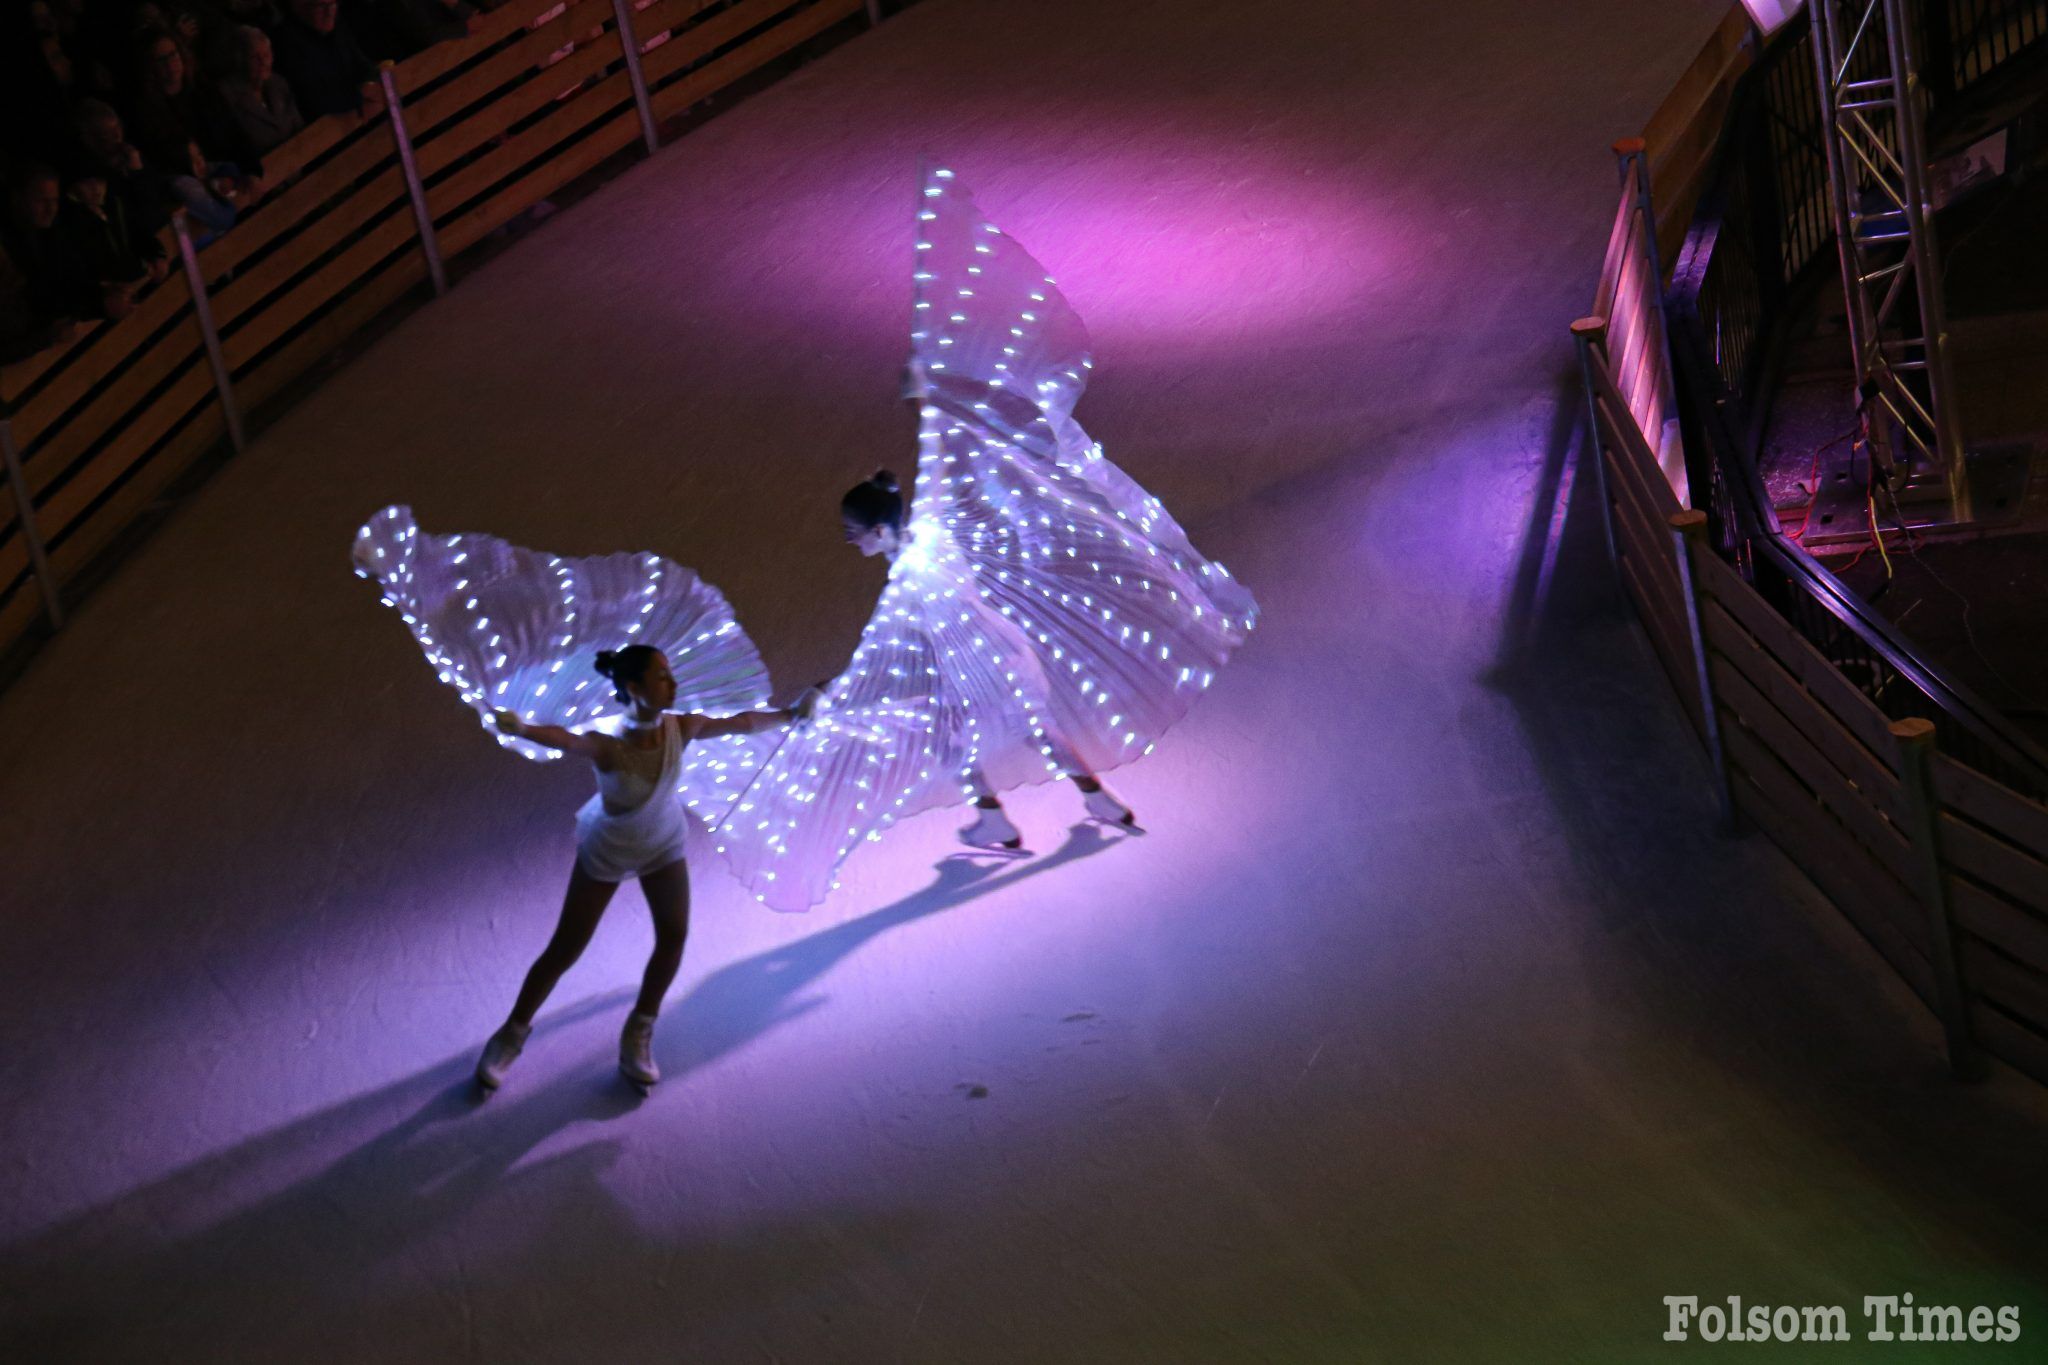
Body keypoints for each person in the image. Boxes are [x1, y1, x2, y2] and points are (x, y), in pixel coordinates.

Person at [688, 167, 1256, 911]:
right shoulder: (931, 530)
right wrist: (936, 391)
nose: (851, 544)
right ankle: (1094, 803)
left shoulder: (910, 566)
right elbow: (977, 434)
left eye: (854, 533)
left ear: (877, 528)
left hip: (972, 672)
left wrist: (831, 696)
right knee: (1042, 730)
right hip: (1004, 655)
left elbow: (887, 648)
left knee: (959, 743)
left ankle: (998, 817)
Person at [474, 648, 816, 1092]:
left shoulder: (681, 727)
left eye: (670, 674)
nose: (672, 684)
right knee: (566, 948)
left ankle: (639, 1029)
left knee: (673, 936)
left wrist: (791, 714)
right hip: (610, 849)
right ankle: (512, 1033)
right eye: (661, 677)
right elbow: (567, 740)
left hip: (661, 844)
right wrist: (522, 729)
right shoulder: (608, 744)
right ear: (634, 688)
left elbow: (742, 723)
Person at [270, 0, 374, 120]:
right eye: (321, 6)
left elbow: (363, 65)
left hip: (359, 112)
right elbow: (311, 100)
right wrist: (359, 98)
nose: (329, 12)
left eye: (333, 4)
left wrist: (368, 84)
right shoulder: (286, 43)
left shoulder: (337, 26)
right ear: (300, 7)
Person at [209, 24, 303, 157]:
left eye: (266, 55)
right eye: (255, 57)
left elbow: (298, 125)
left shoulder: (278, 83)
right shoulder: (225, 97)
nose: (263, 62)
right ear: (239, 60)